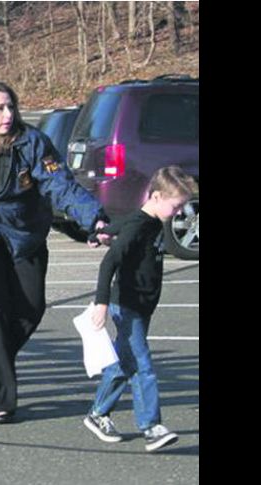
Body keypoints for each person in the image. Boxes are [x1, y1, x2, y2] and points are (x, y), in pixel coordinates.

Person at [0, 80, 110, 424]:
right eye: (0, 108)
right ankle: (1, 398)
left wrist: (95, 220)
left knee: (31, 309)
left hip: (25, 237)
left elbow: (63, 187)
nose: (8, 114)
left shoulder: (32, 143)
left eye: (11, 107)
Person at [83, 166, 197, 452]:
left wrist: (101, 233)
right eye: (176, 205)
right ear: (157, 197)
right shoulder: (140, 225)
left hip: (142, 305)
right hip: (127, 305)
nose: (179, 212)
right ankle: (151, 426)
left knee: (124, 362)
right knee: (143, 367)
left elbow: (121, 223)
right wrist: (101, 303)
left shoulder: (148, 220)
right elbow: (109, 263)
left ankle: (98, 414)